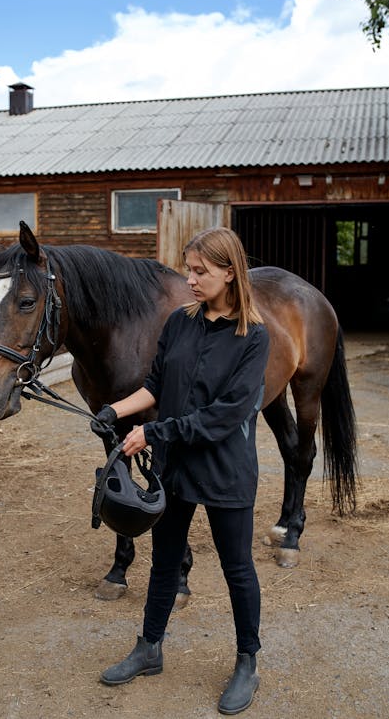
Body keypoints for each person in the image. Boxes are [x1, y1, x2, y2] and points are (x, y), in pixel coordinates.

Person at [91, 227, 270, 715]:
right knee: (166, 560)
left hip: (225, 469)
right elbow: (154, 385)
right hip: (175, 468)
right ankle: (149, 647)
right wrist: (115, 410)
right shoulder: (179, 323)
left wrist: (153, 434)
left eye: (200, 272)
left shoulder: (253, 337)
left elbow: (226, 415)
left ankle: (247, 662)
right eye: (188, 269)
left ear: (229, 273)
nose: (189, 279)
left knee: (237, 568)